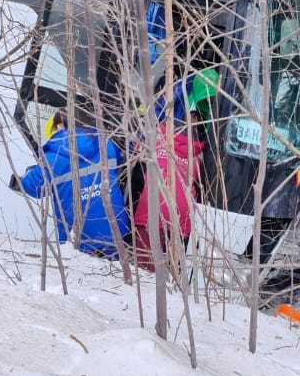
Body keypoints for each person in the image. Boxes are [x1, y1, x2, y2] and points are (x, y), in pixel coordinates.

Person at [18, 110, 130, 259]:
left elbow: (33, 187)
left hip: (79, 233)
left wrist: (29, 171)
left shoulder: (52, 157)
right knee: (115, 276)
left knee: (82, 277)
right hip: (114, 226)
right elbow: (119, 164)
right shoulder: (106, 144)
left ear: (58, 127)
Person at [133, 112, 205, 272]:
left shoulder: (157, 137)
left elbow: (136, 156)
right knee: (174, 272)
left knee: (144, 270)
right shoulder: (199, 151)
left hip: (152, 205)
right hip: (182, 213)